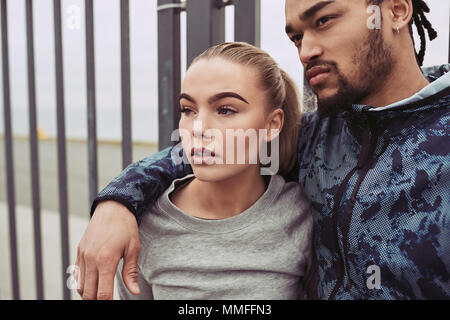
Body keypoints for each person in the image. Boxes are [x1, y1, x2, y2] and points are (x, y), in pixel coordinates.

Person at [76, 0, 450, 300]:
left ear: (396, 10)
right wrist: (117, 201)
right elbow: (210, 149)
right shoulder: (317, 136)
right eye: (296, 37)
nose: (306, 51)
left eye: (323, 20)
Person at [115, 42, 314, 300]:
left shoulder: (299, 214)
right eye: (188, 110)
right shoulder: (145, 226)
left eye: (225, 110)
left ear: (272, 124)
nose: (198, 128)